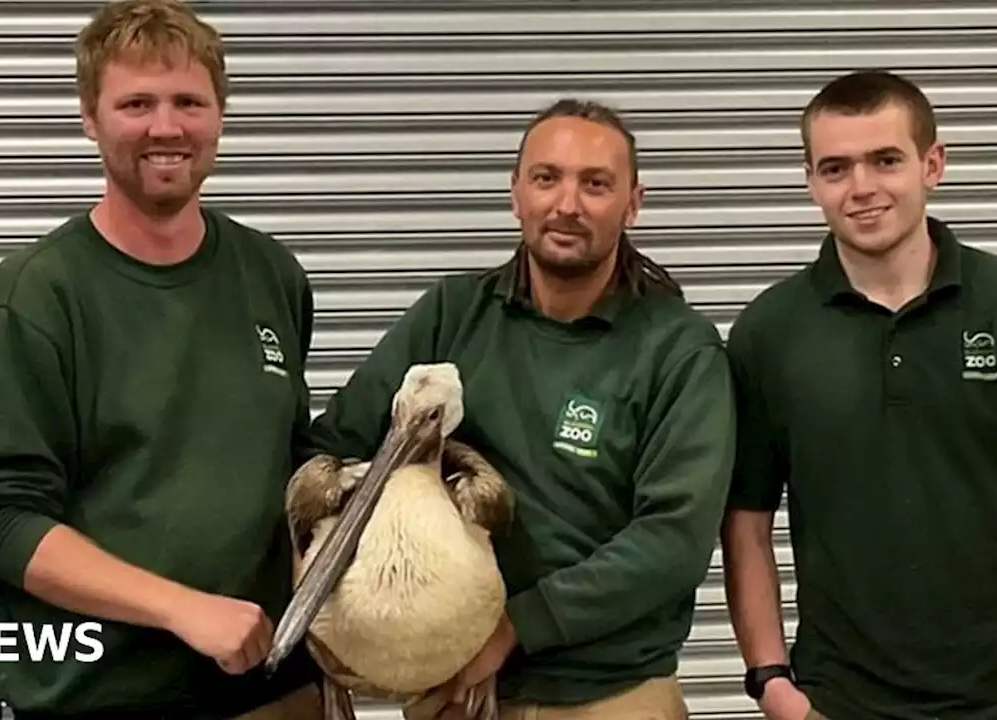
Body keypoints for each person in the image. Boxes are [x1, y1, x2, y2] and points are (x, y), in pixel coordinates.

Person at [0, 0, 321, 717]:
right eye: (136, 103)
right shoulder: (34, 299)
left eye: (189, 101)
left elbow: (287, 463)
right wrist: (183, 609)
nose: (166, 126)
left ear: (219, 115)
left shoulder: (271, 273)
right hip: (102, 696)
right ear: (90, 119)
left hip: (274, 689)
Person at [304, 97, 736, 719]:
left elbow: (672, 540)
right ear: (516, 193)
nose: (567, 204)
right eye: (546, 178)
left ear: (633, 203)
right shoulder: (452, 316)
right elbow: (333, 447)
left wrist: (512, 628)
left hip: (608, 693)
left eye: (595, 184)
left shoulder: (678, 351)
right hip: (455, 691)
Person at [721, 69, 997, 720]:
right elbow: (746, 522)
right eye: (836, 167)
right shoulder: (770, 331)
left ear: (932, 164)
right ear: (811, 180)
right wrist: (771, 682)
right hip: (838, 701)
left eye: (885, 160)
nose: (862, 189)